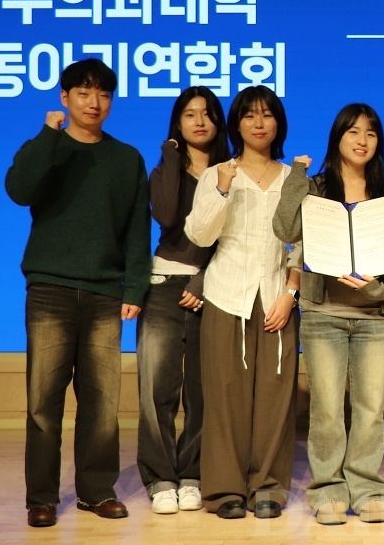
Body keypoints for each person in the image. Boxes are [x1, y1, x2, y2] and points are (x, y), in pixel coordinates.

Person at [4, 58, 150, 528]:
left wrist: (135, 285)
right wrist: (49, 136)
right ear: (64, 97)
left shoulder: (126, 158)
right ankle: (41, 497)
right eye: (84, 93)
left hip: (105, 293)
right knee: (43, 402)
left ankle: (96, 490)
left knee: (102, 404)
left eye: (103, 94)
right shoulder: (46, 147)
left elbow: (136, 230)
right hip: (51, 289)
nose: (94, 102)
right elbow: (19, 190)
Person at [273, 104, 384, 526]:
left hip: (374, 318)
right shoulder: (315, 188)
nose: (362, 140)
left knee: (369, 409)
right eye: (353, 131)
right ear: (337, 138)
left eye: (371, 133)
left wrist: (375, 289)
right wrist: (297, 176)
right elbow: (285, 229)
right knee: (328, 409)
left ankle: (366, 488)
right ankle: (328, 489)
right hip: (323, 315)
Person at [184, 85, 301, 520]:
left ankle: (267, 486)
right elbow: (200, 236)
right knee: (224, 398)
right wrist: (222, 190)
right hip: (226, 295)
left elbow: (303, 243)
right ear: (236, 124)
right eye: (249, 115)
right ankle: (224, 489)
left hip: (276, 297)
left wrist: (290, 294)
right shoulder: (218, 173)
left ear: (278, 124)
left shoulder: (293, 178)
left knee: (275, 398)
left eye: (267, 115)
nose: (258, 123)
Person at [138, 86, 229, 515]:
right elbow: (168, 215)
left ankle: (192, 473)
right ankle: (160, 478)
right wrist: (171, 155)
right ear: (178, 122)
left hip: (214, 288)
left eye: (207, 113)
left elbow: (233, 238)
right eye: (190, 114)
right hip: (162, 285)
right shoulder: (163, 170)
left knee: (202, 391)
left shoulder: (231, 172)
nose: (199, 121)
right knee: (157, 389)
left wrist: (204, 279)